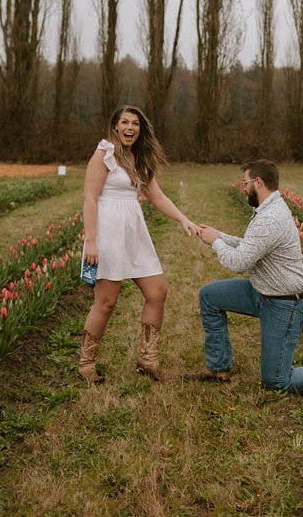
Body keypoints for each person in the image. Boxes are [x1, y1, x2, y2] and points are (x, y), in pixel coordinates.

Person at [183, 159, 303, 393]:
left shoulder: (270, 217)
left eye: (245, 183)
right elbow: (250, 246)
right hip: (262, 292)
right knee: (209, 296)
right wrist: (219, 235)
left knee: (276, 381)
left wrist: (215, 242)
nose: (243, 188)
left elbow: (239, 262)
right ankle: (218, 368)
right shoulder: (267, 210)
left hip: (286, 304)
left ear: (258, 182)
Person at [79, 104, 199, 384]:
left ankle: (148, 360)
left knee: (157, 291)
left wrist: (183, 219)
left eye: (135, 123)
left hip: (134, 233)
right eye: (124, 122)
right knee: (106, 302)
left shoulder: (140, 159)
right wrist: (91, 241)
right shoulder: (104, 154)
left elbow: (157, 196)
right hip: (107, 234)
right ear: (115, 126)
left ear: (140, 129)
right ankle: (86, 364)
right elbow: (90, 198)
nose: (129, 128)